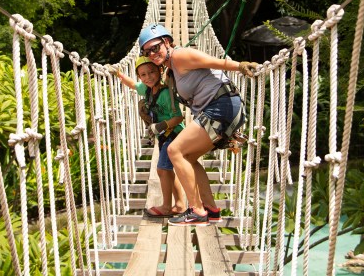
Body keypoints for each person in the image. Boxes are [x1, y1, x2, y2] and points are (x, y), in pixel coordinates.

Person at [137, 23, 258, 226]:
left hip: (221, 106)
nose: (152, 53)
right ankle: (210, 209)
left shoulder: (180, 56)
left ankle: (196, 211)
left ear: (166, 42)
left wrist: (239, 65)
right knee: (189, 157)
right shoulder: (172, 69)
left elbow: (213, 61)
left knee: (175, 150)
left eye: (155, 47)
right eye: (147, 51)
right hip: (220, 109)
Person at [108, 56, 186, 217]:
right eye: (143, 75)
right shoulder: (147, 90)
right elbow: (132, 84)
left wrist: (161, 125)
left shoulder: (165, 93)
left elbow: (179, 117)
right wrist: (119, 74)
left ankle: (166, 206)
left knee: (162, 170)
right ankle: (179, 205)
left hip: (174, 133)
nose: (148, 77)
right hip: (164, 135)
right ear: (139, 77)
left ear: (160, 70)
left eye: (151, 72)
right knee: (167, 171)